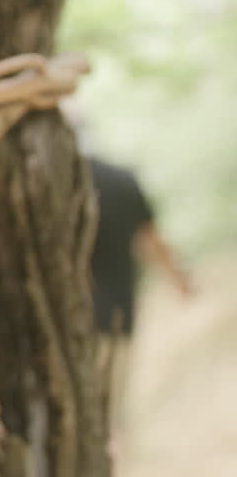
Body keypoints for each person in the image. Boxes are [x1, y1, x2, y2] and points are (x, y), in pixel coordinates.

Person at [88, 157, 193, 448]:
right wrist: (180, 280)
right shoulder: (121, 180)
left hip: (62, 323)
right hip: (115, 319)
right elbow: (150, 241)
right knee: (109, 417)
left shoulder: (46, 175)